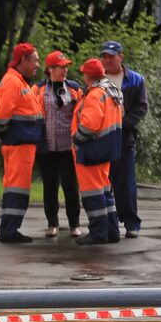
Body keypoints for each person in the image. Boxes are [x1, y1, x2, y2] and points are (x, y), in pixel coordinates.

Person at [0, 42, 44, 243]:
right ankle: (9, 231)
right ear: (23, 60)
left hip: (21, 144)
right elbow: (1, 116)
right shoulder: (13, 82)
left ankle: (10, 229)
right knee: (17, 188)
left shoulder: (19, 81)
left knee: (16, 188)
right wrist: (3, 134)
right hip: (18, 145)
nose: (37, 65)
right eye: (35, 61)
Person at [70, 58, 122, 244]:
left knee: (92, 193)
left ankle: (98, 233)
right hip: (106, 149)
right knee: (105, 192)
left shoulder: (95, 94)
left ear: (88, 75)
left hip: (91, 150)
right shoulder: (111, 91)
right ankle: (112, 231)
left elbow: (90, 124)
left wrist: (76, 140)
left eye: (84, 73)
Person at [99, 41, 148, 238]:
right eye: (105, 57)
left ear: (121, 57)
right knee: (103, 182)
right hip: (101, 137)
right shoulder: (97, 79)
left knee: (126, 183)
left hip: (124, 137)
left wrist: (122, 123)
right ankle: (107, 223)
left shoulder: (135, 79)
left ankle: (131, 223)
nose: (108, 60)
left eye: (111, 56)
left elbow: (141, 107)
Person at [34, 50, 84, 239]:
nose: (65, 70)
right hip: (46, 146)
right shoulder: (38, 89)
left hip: (68, 146)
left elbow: (82, 112)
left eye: (66, 67)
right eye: (61, 67)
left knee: (71, 186)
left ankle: (74, 224)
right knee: (50, 185)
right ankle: (52, 224)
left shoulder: (74, 88)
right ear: (50, 69)